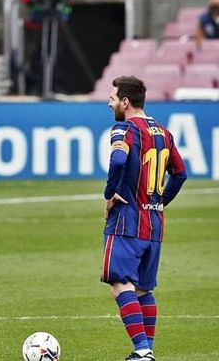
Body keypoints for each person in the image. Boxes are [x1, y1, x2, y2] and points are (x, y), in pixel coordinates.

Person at [102, 76, 187, 361]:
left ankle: (142, 349)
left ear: (125, 102)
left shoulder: (123, 129)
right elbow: (180, 173)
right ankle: (146, 352)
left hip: (127, 221)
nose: (109, 102)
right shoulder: (164, 132)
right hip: (154, 224)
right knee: (142, 289)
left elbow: (117, 161)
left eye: (113, 97)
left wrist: (109, 193)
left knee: (120, 284)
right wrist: (159, 202)